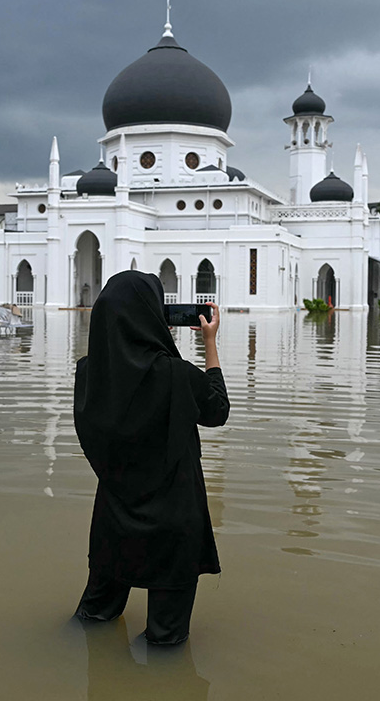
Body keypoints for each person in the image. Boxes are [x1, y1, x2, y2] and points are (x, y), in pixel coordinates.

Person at [73, 271, 229, 646]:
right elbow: (217, 410)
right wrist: (210, 343)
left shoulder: (90, 375)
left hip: (114, 521)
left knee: (91, 621)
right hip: (173, 524)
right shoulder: (174, 375)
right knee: (165, 643)